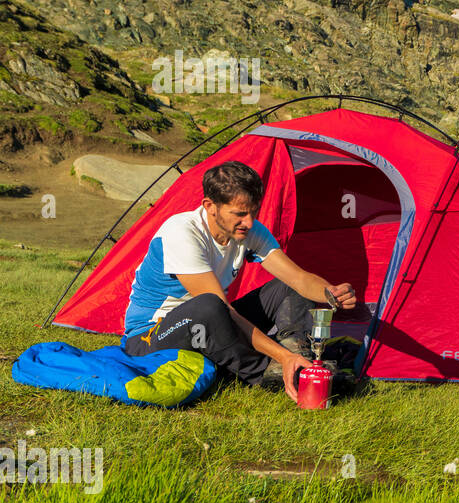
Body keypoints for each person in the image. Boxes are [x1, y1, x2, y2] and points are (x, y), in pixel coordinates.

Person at [121, 160, 357, 401]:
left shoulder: (248, 231)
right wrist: (279, 356)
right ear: (210, 206)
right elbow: (221, 310)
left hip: (211, 323)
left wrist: (331, 292)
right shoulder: (181, 232)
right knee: (211, 306)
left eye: (254, 211)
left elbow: (298, 278)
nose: (249, 222)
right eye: (240, 213)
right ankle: (265, 371)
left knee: (286, 287)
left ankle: (298, 356)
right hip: (149, 338)